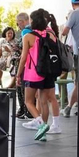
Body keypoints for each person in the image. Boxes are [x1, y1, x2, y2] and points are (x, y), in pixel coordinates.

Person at [19, 9, 61, 139]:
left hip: (33, 73)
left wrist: (18, 74)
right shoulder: (50, 34)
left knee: (28, 101)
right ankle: (43, 131)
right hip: (48, 72)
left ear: (33, 21)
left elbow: (24, 57)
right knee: (43, 101)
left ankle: (40, 123)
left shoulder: (28, 37)